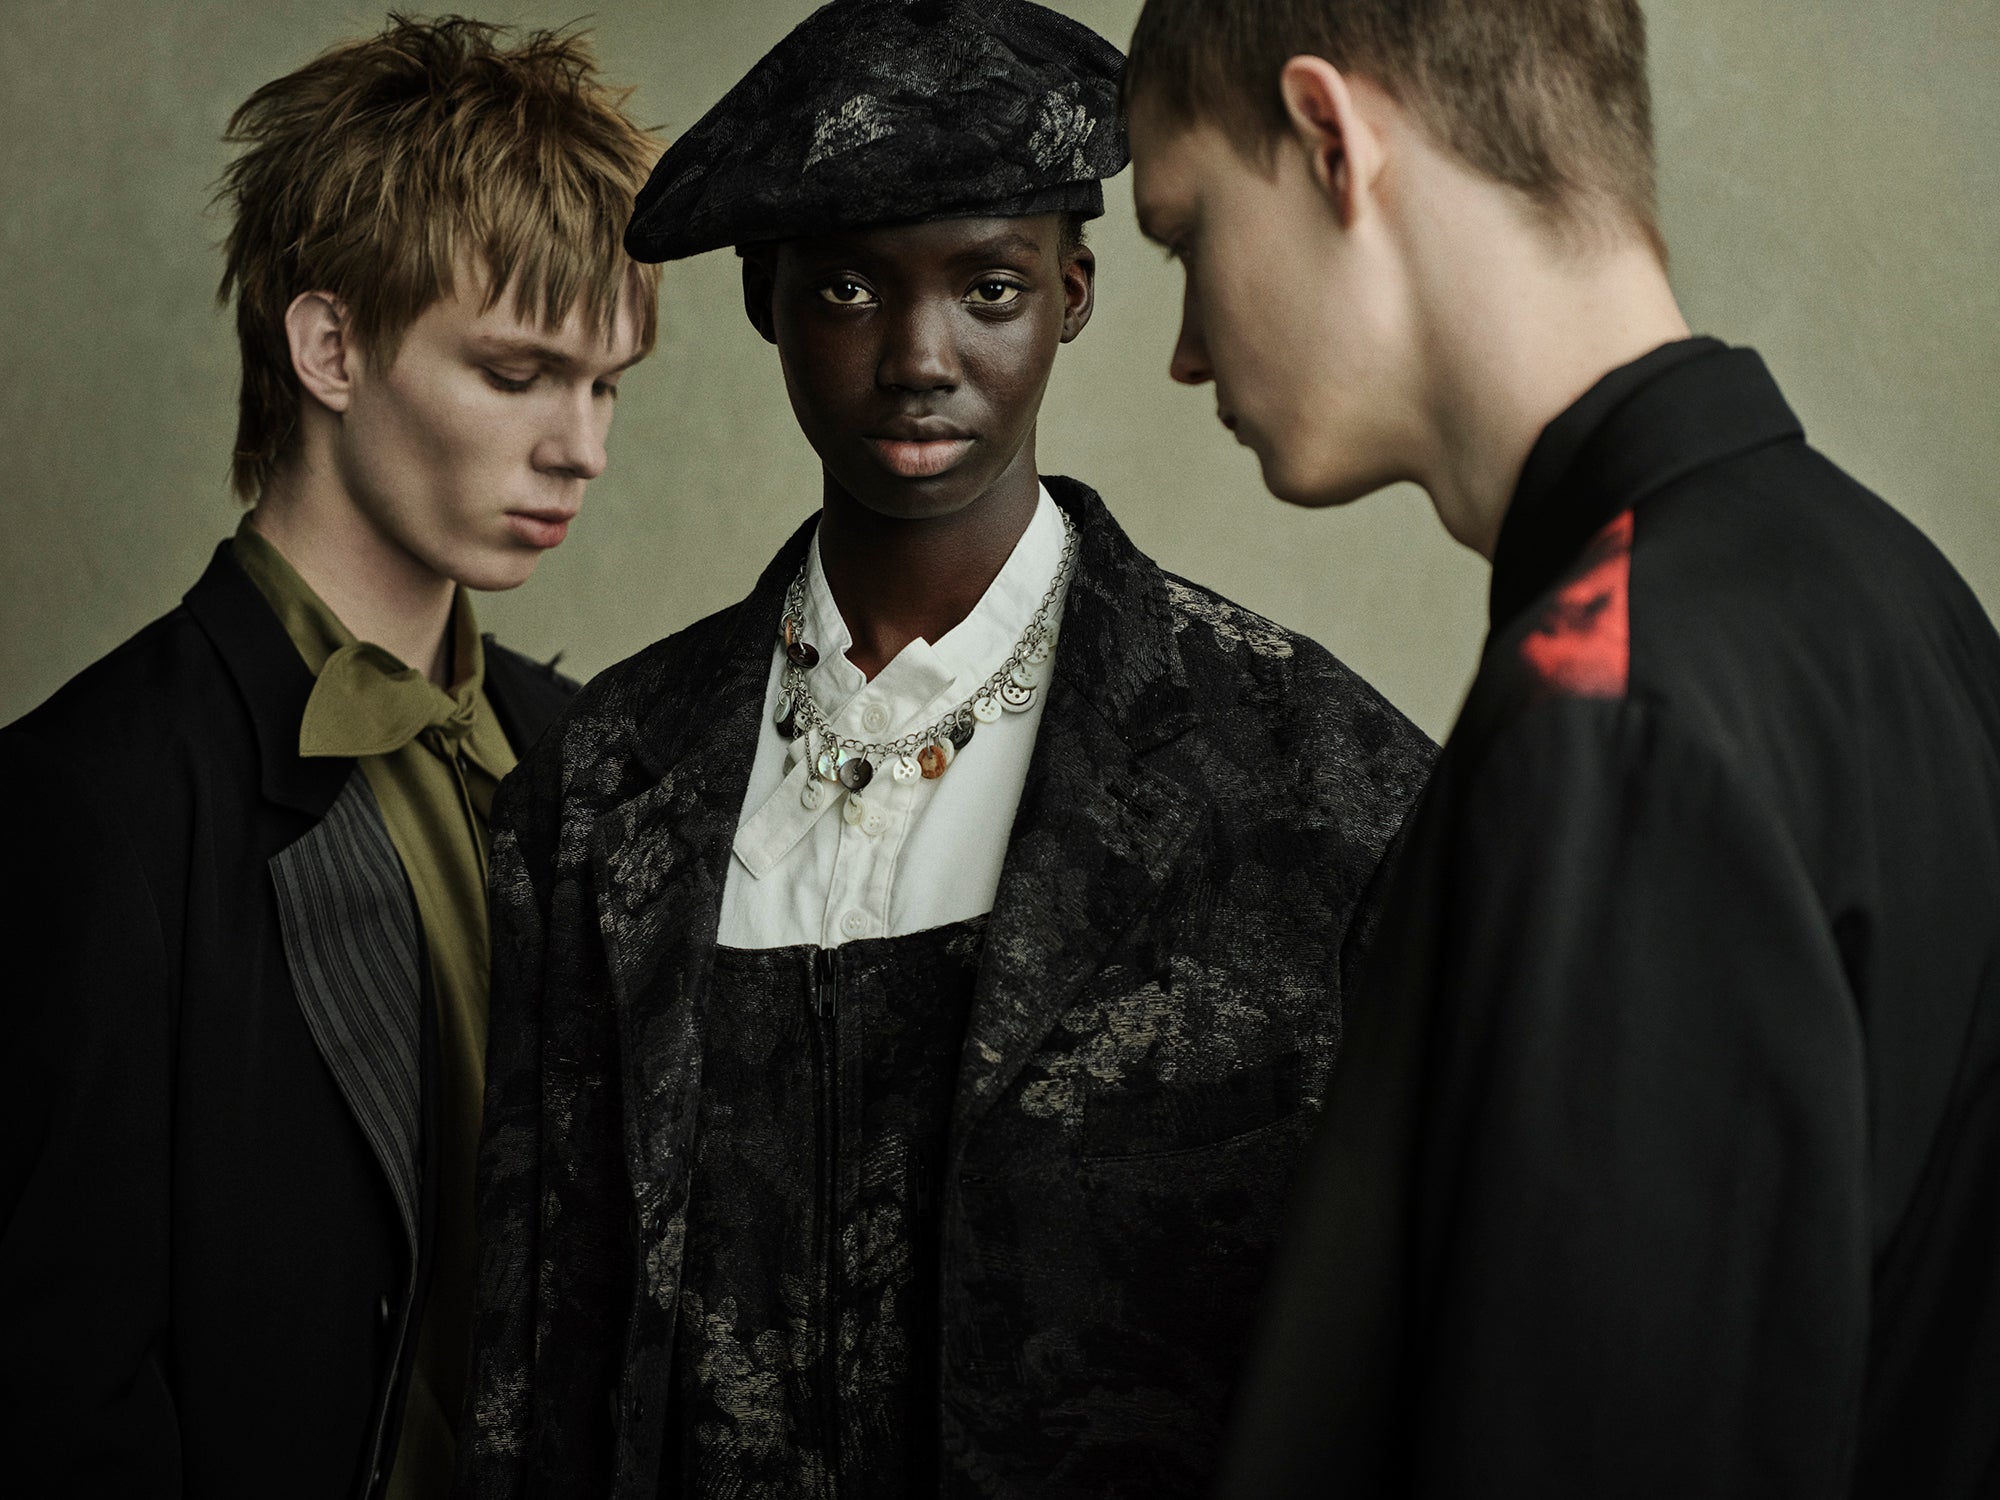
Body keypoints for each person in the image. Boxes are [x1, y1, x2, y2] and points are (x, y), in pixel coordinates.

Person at [455, 2, 1434, 1495]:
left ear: (1073, 295)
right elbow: (526, 1370)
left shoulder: (1319, 783)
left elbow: (1411, 1365)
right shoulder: (597, 790)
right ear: (765, 299)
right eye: (850, 287)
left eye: (989, 287)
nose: (920, 357)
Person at [1121, 0, 2000, 1495]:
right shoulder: (1893, 594)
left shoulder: (1617, 707)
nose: (1188, 351)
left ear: (1332, 140)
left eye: (1185, 234)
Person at [0, 17, 660, 1498]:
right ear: (331, 347)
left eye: (606, 384)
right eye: (518, 373)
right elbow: (59, 1400)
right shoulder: (90, 802)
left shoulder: (591, 759)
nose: (583, 448)